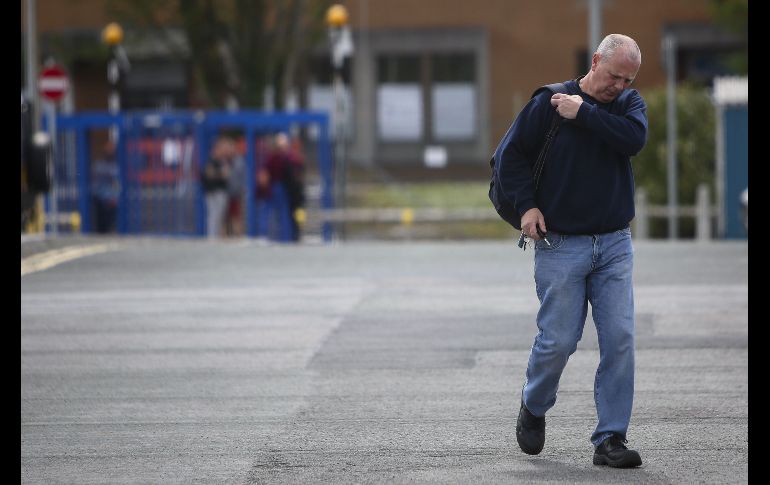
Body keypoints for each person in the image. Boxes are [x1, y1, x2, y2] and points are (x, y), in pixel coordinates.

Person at [496, 34, 648, 468]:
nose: (619, 86)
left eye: (628, 79)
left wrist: (584, 113)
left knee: (620, 339)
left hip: (614, 243)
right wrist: (526, 207)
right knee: (559, 341)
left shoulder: (627, 105)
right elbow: (509, 158)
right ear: (596, 60)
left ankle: (611, 438)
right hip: (560, 243)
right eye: (614, 76)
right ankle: (534, 404)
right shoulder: (548, 102)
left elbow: (633, 140)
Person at [201, 136, 232, 239]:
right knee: (213, 215)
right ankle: (211, 236)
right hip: (212, 191)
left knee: (219, 215)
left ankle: (216, 236)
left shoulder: (223, 161)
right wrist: (220, 174)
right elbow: (209, 174)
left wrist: (218, 174)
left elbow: (226, 175)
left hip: (221, 191)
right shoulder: (211, 161)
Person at [91, 139, 120, 233]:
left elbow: (117, 183)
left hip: (113, 197)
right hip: (101, 197)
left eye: (112, 150)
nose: (110, 152)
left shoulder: (117, 165)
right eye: (108, 149)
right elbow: (96, 184)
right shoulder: (99, 165)